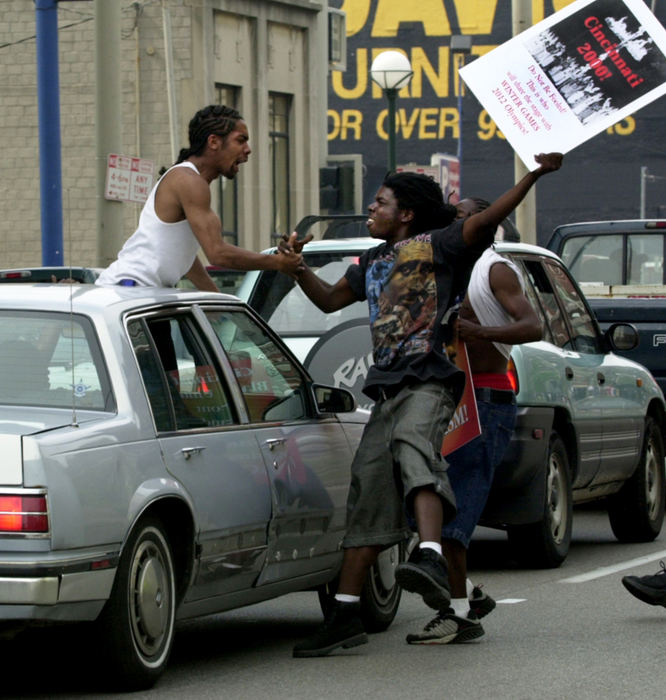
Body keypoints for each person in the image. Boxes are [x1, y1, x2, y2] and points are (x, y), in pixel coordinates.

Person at [290, 152, 563, 658]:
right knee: (367, 488)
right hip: (387, 387)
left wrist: (533, 174)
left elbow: (484, 220)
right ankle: (346, 613)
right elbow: (329, 300)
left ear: (407, 213)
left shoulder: (439, 246)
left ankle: (432, 555)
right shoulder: (371, 262)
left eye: (381, 202)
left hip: (431, 380)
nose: (371, 209)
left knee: (417, 450)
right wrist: (295, 268)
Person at [405, 234, 543, 646]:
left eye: (464, 215)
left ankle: (460, 615)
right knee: (427, 502)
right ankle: (467, 594)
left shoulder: (493, 270)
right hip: (444, 396)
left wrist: (477, 331)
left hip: (483, 398)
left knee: (455, 511)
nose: (456, 223)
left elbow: (532, 326)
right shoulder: (438, 266)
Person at [96, 104, 302, 291]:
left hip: (142, 291)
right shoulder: (189, 181)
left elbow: (182, 253)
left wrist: (214, 296)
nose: (248, 150)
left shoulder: (189, 181)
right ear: (213, 141)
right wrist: (277, 262)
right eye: (240, 140)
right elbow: (218, 253)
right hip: (130, 290)